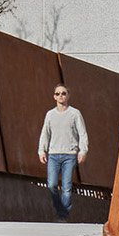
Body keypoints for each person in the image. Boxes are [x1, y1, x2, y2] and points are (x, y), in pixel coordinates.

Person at [38, 83, 88, 219]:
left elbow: (82, 133)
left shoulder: (75, 113)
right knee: (52, 185)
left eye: (63, 93)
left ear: (68, 96)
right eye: (58, 93)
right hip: (53, 155)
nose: (61, 96)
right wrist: (41, 151)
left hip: (70, 155)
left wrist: (83, 151)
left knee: (66, 187)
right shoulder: (50, 114)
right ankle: (61, 210)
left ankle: (62, 216)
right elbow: (45, 133)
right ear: (54, 97)